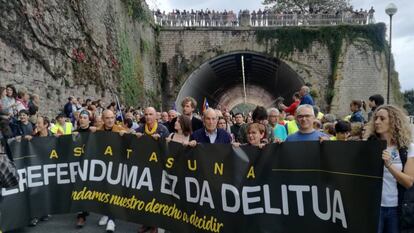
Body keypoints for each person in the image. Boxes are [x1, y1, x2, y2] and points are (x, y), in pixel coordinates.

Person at [364, 105, 414, 233]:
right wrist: (325, 144)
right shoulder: (368, 145)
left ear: (393, 121)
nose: (376, 122)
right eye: (376, 118)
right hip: (373, 207)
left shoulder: (407, 148)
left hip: (397, 208)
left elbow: (408, 182)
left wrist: (389, 165)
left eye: (382, 118)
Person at [96, 110, 127, 233]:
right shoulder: (98, 131)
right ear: (103, 119)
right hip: (102, 166)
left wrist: (127, 135)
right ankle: (106, 213)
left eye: (112, 118)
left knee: (113, 192)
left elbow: (133, 139)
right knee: (103, 191)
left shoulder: (120, 130)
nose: (110, 120)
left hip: (116, 166)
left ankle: (111, 220)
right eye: (107, 118)